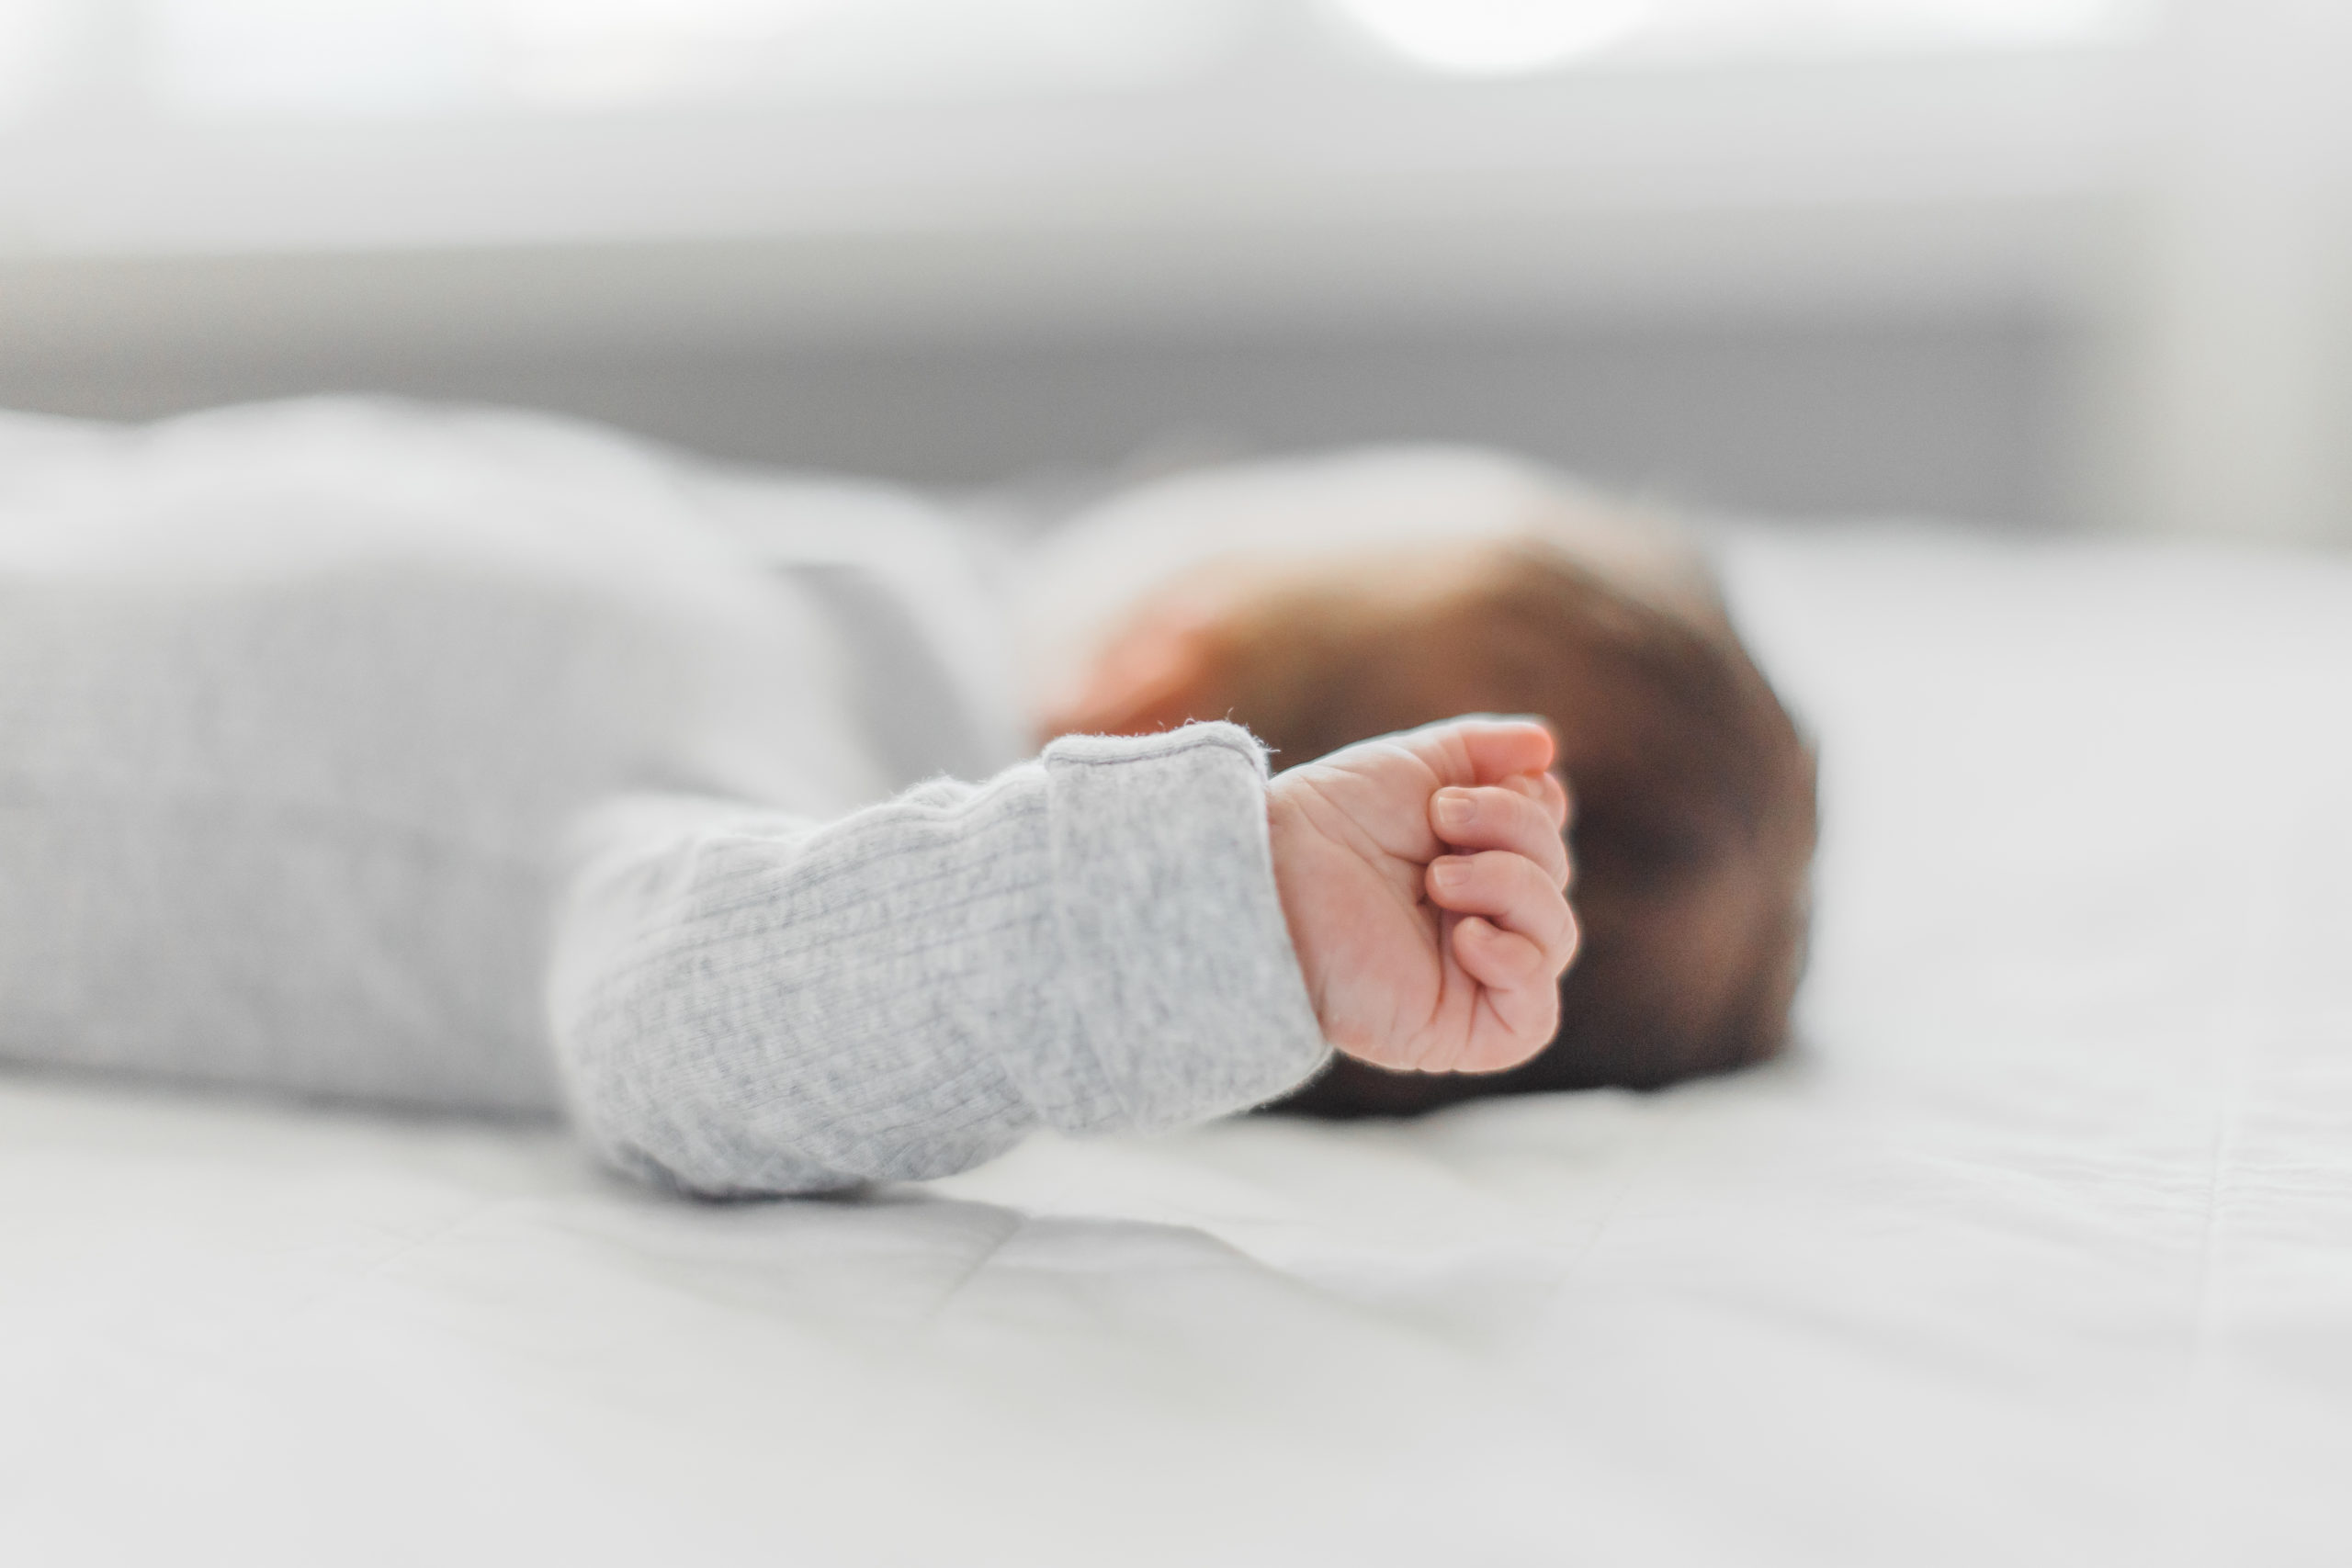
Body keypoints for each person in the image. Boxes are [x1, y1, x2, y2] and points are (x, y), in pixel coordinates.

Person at [0, 398, 1810, 1195]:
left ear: (1156, 676)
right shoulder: (853, 614)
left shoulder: (799, 795)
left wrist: (1212, 904)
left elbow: (668, 1021)